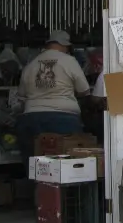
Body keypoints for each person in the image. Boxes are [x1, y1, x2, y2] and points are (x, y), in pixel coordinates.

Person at [15, 30, 91, 164]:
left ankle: (37, 184)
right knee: (65, 165)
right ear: (64, 45)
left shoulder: (31, 64)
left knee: (35, 165)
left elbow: (21, 96)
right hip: (63, 119)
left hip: (31, 118)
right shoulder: (69, 61)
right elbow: (84, 91)